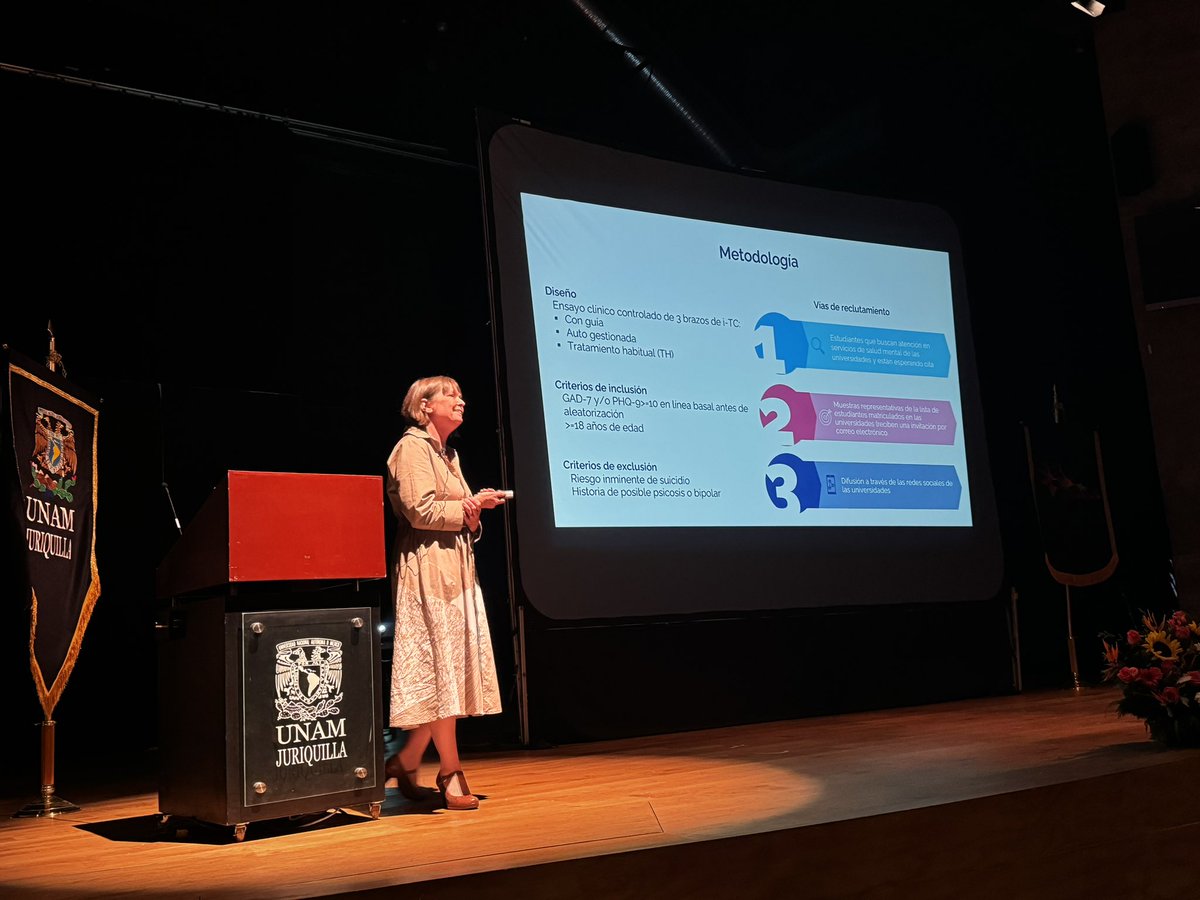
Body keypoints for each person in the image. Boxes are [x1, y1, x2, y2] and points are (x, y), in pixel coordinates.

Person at [383, 375, 506, 810]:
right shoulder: (412, 447)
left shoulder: (447, 453)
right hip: (427, 572)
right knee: (441, 670)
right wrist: (469, 507)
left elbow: (457, 512)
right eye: (451, 395)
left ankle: (407, 760)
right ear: (424, 405)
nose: (461, 401)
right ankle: (450, 771)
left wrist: (476, 510)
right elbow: (420, 511)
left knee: (445, 670)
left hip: (456, 570)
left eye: (459, 394)